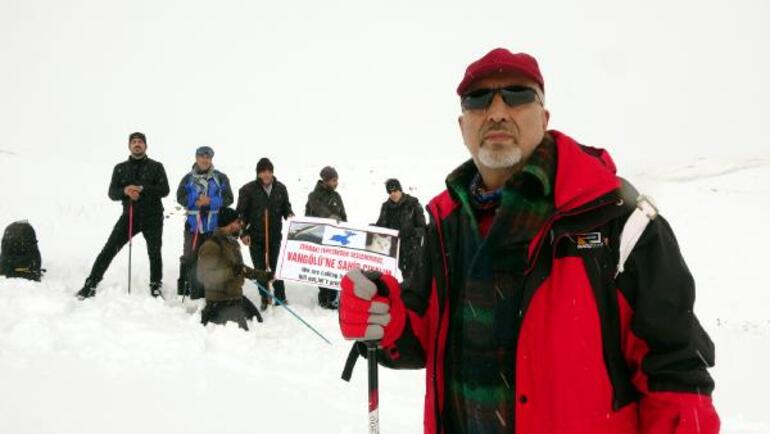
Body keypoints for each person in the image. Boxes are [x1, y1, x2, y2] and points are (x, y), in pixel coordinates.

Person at [338, 48, 719, 434]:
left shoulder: (618, 219)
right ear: (462, 124)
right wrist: (384, 314)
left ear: (545, 116)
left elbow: (675, 373)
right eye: (479, 99)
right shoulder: (446, 222)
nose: (498, 111)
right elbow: (423, 325)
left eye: (518, 95)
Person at [77, 132, 169, 299]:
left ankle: (156, 285)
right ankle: (90, 284)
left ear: (146, 146)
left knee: (154, 253)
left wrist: (142, 188)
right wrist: (125, 191)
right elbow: (112, 193)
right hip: (130, 216)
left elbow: (165, 190)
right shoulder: (120, 168)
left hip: (153, 216)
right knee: (110, 248)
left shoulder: (157, 166)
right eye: (134, 142)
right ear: (129, 146)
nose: (137, 144)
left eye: (140, 142)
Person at [197, 207, 272, 330]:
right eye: (238, 222)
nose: (241, 224)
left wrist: (266, 276)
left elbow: (241, 269)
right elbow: (203, 276)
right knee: (242, 334)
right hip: (220, 300)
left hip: (236, 297)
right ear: (229, 223)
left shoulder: (232, 243)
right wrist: (231, 272)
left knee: (257, 320)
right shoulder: (211, 246)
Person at [236, 157, 294, 310]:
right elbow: (241, 214)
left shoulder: (280, 188)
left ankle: (280, 297)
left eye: (269, 171)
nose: (267, 175)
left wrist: (289, 214)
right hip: (255, 237)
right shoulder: (247, 190)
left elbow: (286, 208)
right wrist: (243, 233)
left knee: (277, 268)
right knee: (260, 269)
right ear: (258, 173)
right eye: (263, 172)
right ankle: (264, 297)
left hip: (275, 236)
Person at [175, 146, 233, 296]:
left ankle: (211, 287)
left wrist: (210, 202)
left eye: (208, 157)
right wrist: (196, 201)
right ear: (196, 158)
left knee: (212, 256)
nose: (205, 160)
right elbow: (180, 197)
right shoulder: (188, 178)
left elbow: (228, 198)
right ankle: (185, 286)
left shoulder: (220, 177)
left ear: (211, 159)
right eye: (202, 157)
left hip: (213, 225)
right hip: (193, 225)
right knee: (190, 256)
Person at [305, 166, 347, 309]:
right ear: (326, 180)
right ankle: (323, 297)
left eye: (337, 180)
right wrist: (329, 218)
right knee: (323, 268)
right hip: (320, 239)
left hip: (336, 240)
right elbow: (316, 212)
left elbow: (343, 216)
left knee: (334, 268)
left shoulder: (337, 196)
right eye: (334, 180)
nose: (336, 183)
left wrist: (345, 226)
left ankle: (334, 297)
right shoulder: (313, 196)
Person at [375, 178, 426, 283]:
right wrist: (371, 229)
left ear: (400, 189)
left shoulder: (413, 204)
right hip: (393, 251)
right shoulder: (385, 207)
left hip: (412, 250)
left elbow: (423, 229)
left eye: (395, 191)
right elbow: (381, 227)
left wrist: (411, 231)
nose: (393, 194)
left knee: (414, 280)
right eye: (390, 192)